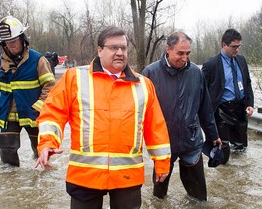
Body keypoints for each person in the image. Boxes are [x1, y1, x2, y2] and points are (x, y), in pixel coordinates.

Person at [34, 26, 171, 209]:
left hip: (127, 176)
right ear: (100, 50)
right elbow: (52, 113)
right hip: (85, 175)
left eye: (123, 48)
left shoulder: (144, 85)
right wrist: (48, 143)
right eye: (113, 48)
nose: (120, 53)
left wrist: (162, 163)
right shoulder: (74, 78)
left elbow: (156, 127)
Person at [142, 31, 222, 201]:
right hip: (163, 144)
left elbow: (205, 108)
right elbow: (140, 112)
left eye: (188, 53)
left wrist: (213, 135)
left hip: (191, 140)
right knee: (159, 197)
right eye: (180, 53)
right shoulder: (150, 73)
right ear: (168, 49)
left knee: (199, 198)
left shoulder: (196, 73)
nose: (185, 58)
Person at [0, 16, 56, 167]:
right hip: (8, 114)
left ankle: (41, 176)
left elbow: (50, 86)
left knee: (40, 151)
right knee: (7, 154)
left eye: (13, 41)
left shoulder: (37, 59)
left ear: (22, 39)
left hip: (33, 113)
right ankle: (11, 183)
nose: (10, 46)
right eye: (7, 43)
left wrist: (39, 106)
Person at [202, 29, 254, 160]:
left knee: (241, 148)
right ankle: (222, 169)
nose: (236, 50)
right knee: (223, 149)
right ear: (224, 45)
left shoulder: (241, 60)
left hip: (240, 108)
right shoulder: (211, 64)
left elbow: (247, 83)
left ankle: (239, 177)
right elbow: (202, 91)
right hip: (221, 109)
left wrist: (250, 104)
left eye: (238, 46)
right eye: (233, 47)